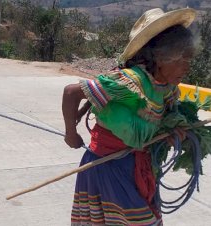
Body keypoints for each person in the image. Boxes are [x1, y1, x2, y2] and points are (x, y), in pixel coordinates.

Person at [62, 8, 196, 226]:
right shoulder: (130, 82)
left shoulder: (167, 89)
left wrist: (170, 135)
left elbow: (156, 126)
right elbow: (71, 92)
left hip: (137, 166)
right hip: (108, 166)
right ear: (161, 57)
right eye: (182, 60)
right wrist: (70, 133)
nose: (187, 68)